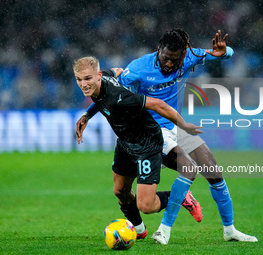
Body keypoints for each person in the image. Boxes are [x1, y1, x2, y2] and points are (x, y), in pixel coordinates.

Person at [77, 29, 258, 244]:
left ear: (184, 55)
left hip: (176, 124)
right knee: (182, 171)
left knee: (213, 171)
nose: (170, 64)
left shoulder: (191, 56)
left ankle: (230, 230)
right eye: (166, 59)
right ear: (158, 51)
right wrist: (89, 113)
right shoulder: (138, 68)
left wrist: (225, 51)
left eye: (175, 60)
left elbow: (224, 53)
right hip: (153, 128)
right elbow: (110, 92)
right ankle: (164, 225)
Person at [73, 56, 203, 240]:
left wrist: (184, 125)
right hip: (126, 142)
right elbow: (118, 70)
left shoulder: (119, 97)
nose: (83, 84)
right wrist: (87, 115)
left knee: (147, 206)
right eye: (79, 79)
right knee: (120, 191)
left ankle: (182, 197)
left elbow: (158, 105)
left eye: (87, 78)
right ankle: (139, 230)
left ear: (98, 76)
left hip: (147, 144)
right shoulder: (104, 79)